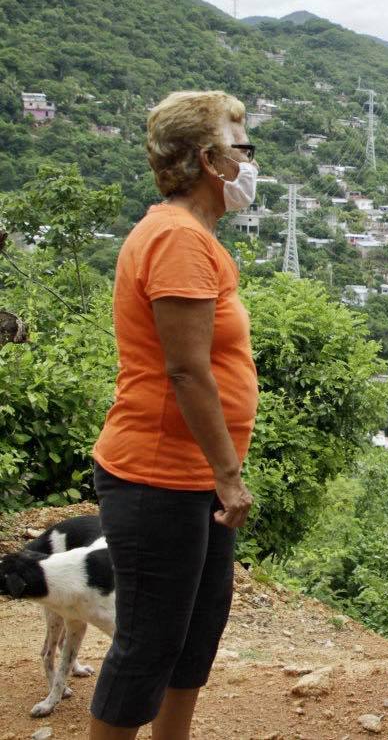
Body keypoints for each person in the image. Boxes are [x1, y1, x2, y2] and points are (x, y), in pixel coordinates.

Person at [89, 90, 259, 739]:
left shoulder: (191, 236)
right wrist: (228, 472)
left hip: (190, 477)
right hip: (159, 474)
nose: (249, 160)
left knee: (193, 635)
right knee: (149, 643)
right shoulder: (178, 240)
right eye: (241, 147)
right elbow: (186, 369)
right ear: (209, 160)